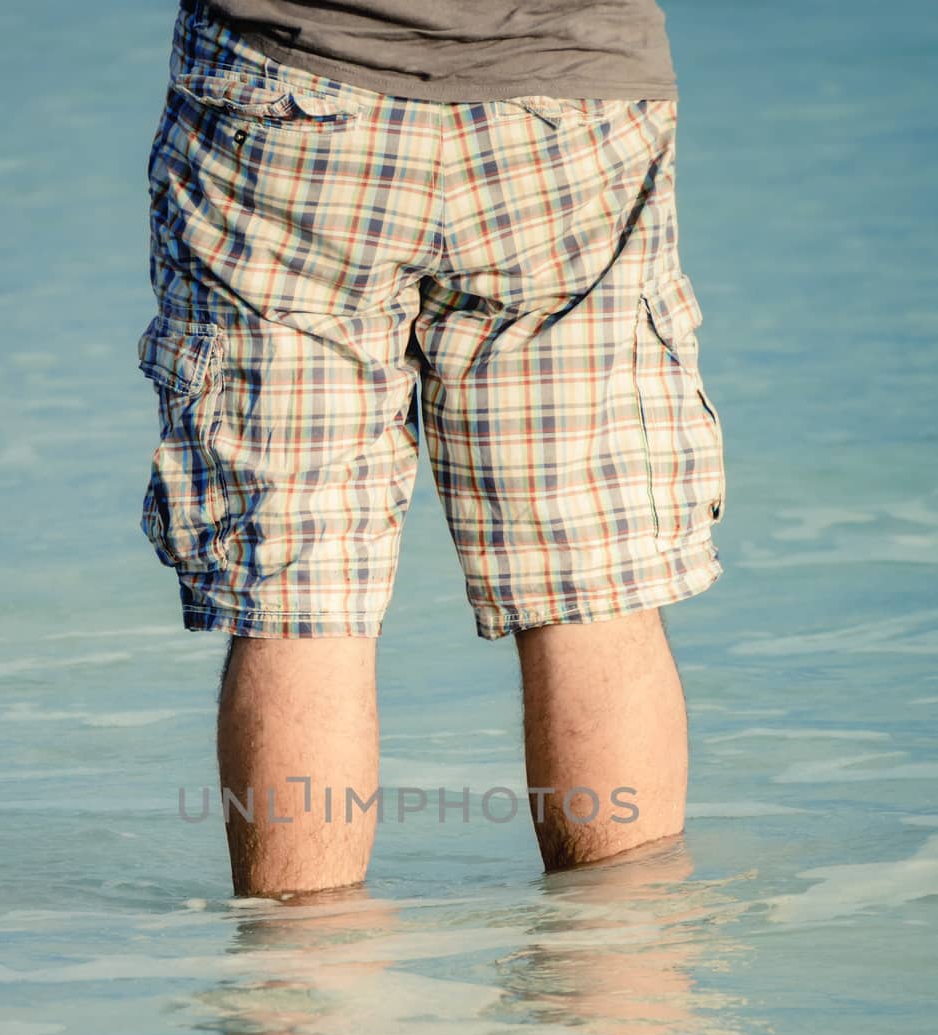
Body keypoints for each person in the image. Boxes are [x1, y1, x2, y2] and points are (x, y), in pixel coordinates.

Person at [138, 0, 727, 897]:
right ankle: (621, 998)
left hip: (286, 92)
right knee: (589, 579)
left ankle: (303, 1002)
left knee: (299, 587)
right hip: (568, 96)